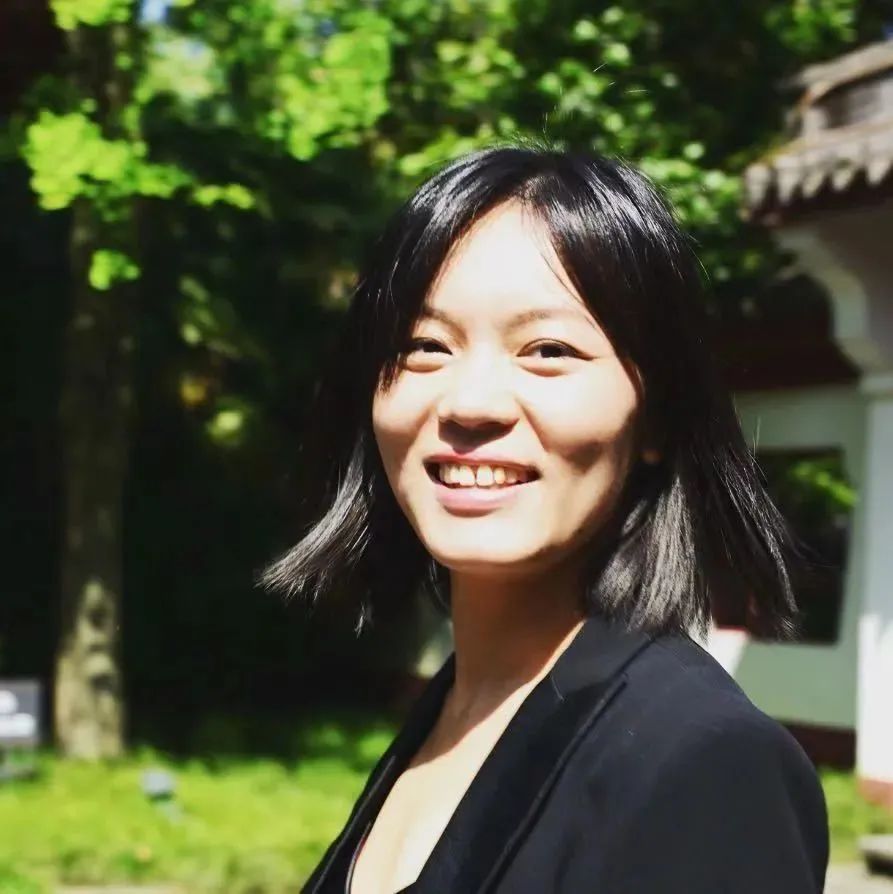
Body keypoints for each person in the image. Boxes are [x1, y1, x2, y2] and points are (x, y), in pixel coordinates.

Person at [263, 145, 829, 894]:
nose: (470, 403)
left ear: (657, 415)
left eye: (548, 350)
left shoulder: (706, 765)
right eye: (426, 346)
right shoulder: (454, 710)